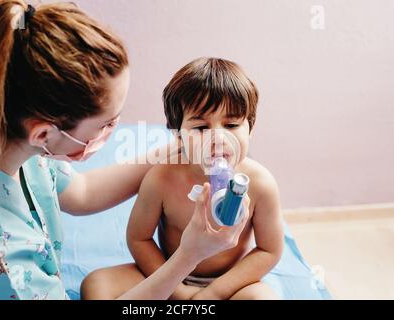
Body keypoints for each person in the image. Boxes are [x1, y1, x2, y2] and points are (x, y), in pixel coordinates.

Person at [0, 1, 245, 300]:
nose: (113, 131)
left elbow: (83, 192)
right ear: (44, 133)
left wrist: (187, 142)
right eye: (106, 124)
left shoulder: (6, 141)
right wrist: (189, 256)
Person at [81, 58, 283, 300]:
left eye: (231, 125)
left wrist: (216, 292)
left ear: (250, 127)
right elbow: (139, 237)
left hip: (229, 282)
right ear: (178, 133)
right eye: (200, 128)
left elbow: (269, 250)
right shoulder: (161, 178)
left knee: (263, 298)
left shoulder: (260, 184)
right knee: (97, 285)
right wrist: (176, 289)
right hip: (169, 273)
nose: (218, 138)